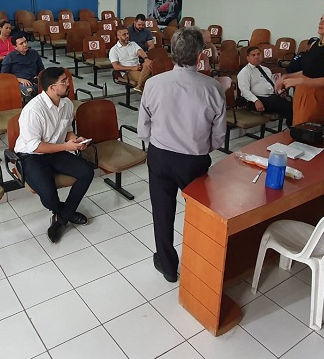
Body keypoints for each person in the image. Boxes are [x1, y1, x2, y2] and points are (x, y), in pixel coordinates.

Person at [138, 27, 227, 282]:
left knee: (162, 212)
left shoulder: (153, 83)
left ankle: (167, 266)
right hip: (194, 161)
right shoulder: (213, 88)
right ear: (200, 55)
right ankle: (199, 261)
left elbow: (143, 129)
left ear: (172, 54)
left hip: (160, 158)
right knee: (199, 213)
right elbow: (219, 137)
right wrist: (198, 147)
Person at [14, 67, 93, 243]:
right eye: (64, 82)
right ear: (51, 87)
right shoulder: (34, 110)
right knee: (49, 197)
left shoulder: (67, 104)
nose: (68, 84)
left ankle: (61, 219)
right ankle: (67, 212)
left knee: (87, 172)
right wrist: (66, 146)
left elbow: (67, 130)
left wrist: (75, 140)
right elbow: (34, 146)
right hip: (32, 155)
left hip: (56, 149)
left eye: (67, 80)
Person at [276, 8, 324, 125]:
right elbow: (308, 72)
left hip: (316, 96)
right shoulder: (315, 44)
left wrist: (298, 81)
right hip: (302, 92)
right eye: (321, 19)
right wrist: (287, 77)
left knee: (306, 130)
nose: (321, 22)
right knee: (298, 128)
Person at [237, 46, 293, 126]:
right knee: (286, 106)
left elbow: (272, 84)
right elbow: (244, 91)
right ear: (248, 58)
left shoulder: (266, 69)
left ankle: (293, 125)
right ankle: (292, 126)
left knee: (292, 103)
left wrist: (279, 92)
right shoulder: (245, 72)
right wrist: (256, 101)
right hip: (256, 100)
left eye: (258, 54)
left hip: (271, 97)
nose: (256, 57)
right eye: (253, 55)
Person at [109, 26, 153, 92]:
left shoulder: (133, 44)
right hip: (127, 71)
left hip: (139, 67)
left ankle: (139, 86)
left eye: (127, 34)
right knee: (148, 81)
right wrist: (132, 68)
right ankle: (140, 87)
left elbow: (140, 51)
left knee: (149, 63)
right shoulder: (114, 50)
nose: (127, 36)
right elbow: (116, 67)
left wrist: (146, 59)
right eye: (124, 34)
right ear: (118, 37)